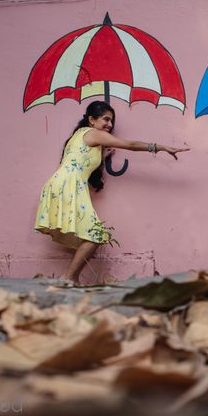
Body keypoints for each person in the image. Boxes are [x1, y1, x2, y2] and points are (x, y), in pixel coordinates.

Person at [34, 100, 188, 285]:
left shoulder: (80, 135)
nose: (110, 124)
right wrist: (161, 147)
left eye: (111, 121)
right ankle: (68, 278)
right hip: (69, 185)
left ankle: (70, 278)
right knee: (95, 234)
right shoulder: (95, 134)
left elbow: (80, 159)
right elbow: (130, 144)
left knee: (92, 234)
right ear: (91, 119)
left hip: (63, 184)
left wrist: (101, 157)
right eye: (105, 119)